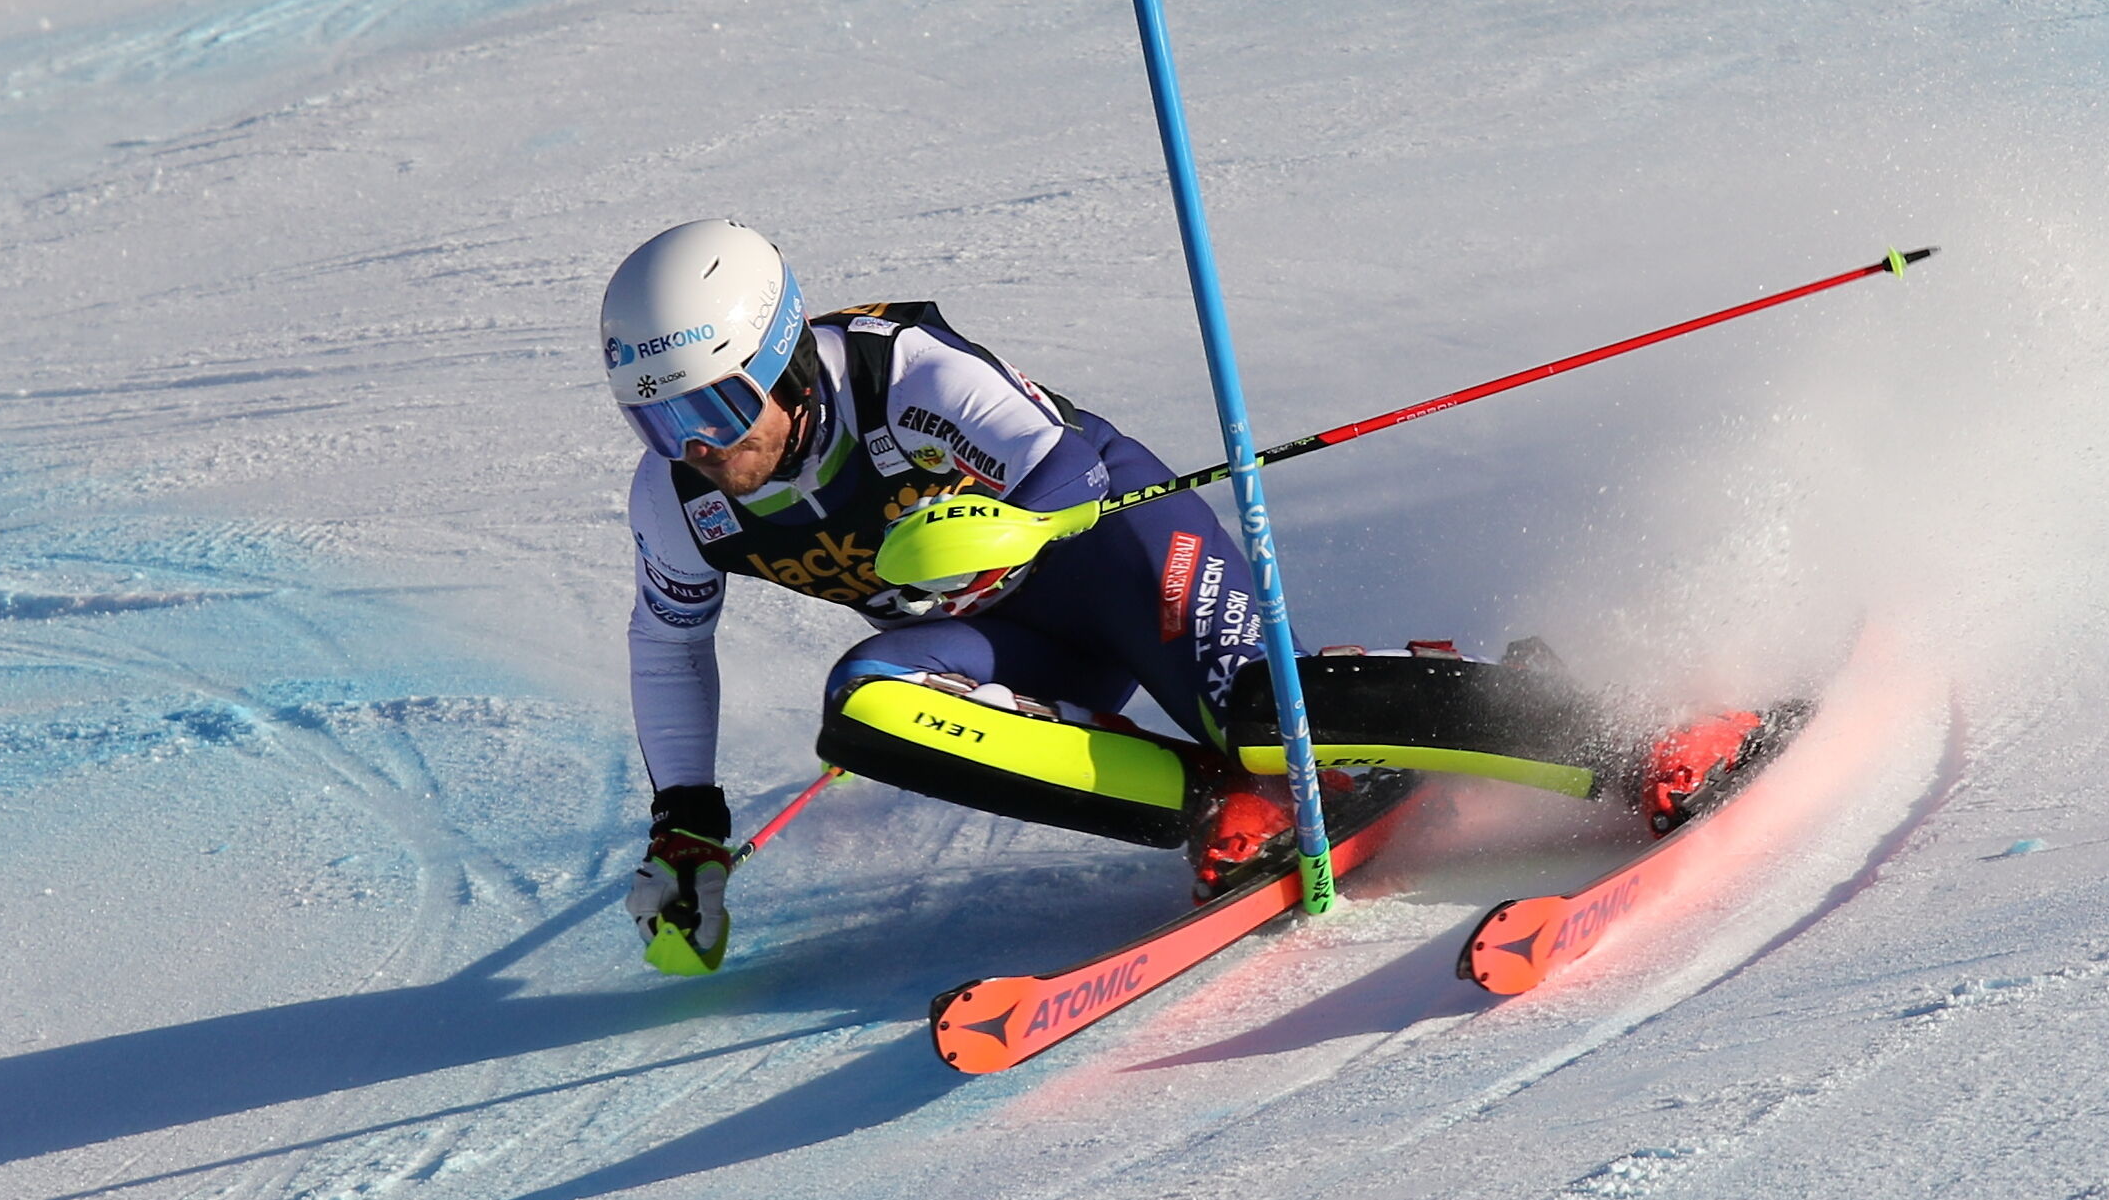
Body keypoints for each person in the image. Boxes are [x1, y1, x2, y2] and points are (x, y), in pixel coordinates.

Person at [604, 219, 1773, 973]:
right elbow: (670, 646)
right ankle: (1221, 806)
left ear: (785, 364)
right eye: (661, 421)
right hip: (1007, 639)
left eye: (713, 408)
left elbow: (1056, 459)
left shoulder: (896, 368)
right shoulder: (679, 502)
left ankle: (1640, 734)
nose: (697, 447)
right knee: (863, 703)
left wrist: (1004, 521)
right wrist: (688, 826)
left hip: (1112, 546)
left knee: (1264, 717)